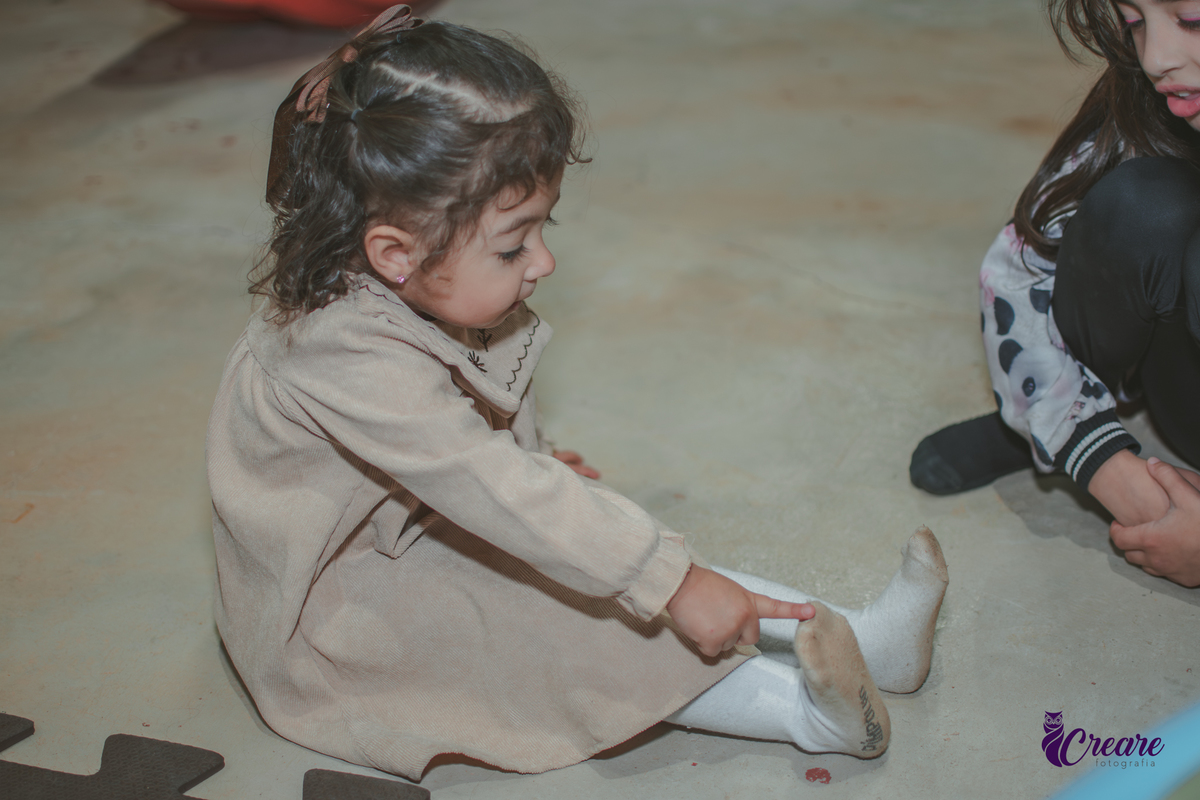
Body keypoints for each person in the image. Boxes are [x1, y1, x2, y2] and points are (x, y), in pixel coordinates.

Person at [206, 6, 949, 779]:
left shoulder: (422, 277)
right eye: (515, 242)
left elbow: (473, 428)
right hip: (344, 605)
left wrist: (530, 457)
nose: (544, 261)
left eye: (542, 227)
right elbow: (479, 478)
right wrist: (668, 580)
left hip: (414, 517)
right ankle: (805, 715)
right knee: (587, 617)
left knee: (605, 553)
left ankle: (862, 640)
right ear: (394, 252)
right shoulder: (336, 351)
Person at [909, 0, 1200, 587]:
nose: (1156, 58)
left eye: (1192, 17)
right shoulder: (1158, 97)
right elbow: (1020, 270)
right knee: (1138, 208)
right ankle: (1053, 421)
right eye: (1135, 22)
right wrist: (1105, 465)